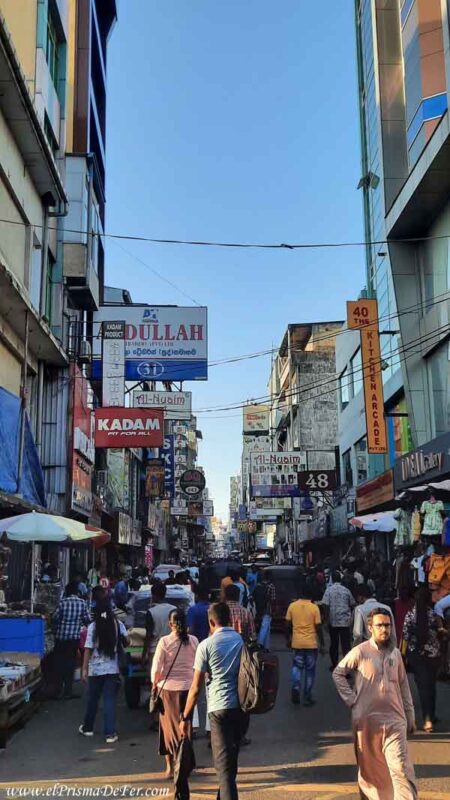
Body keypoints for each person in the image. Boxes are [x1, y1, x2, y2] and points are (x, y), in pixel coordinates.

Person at [333, 607, 417, 800]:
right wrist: (351, 700)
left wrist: (410, 715)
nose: (384, 629)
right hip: (367, 722)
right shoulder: (360, 651)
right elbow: (338, 673)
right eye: (380, 625)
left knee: (401, 768)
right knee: (370, 773)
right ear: (370, 627)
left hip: (395, 720)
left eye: (387, 625)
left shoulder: (396, 654)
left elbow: (404, 686)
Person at [179, 603, 248, 800]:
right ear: (230, 619)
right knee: (230, 764)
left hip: (219, 709)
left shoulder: (206, 646)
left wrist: (185, 717)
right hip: (242, 707)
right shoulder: (241, 641)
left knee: (224, 771)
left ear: (211, 622)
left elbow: (195, 688)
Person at [151, 609, 198, 778]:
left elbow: (156, 669)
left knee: (168, 730)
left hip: (168, 691)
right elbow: (198, 665)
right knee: (186, 728)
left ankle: (170, 767)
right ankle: (186, 765)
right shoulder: (193, 641)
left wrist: (154, 685)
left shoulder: (164, 642)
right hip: (189, 690)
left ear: (170, 624)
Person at [79, 597, 128, 743]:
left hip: (95, 669)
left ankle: (88, 728)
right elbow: (127, 641)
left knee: (93, 699)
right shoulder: (117, 624)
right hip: (112, 669)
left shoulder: (93, 627)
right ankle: (110, 734)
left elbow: (88, 649)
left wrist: (84, 669)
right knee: (109, 700)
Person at [402, 587, 447, 732]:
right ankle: (431, 716)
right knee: (431, 685)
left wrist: (402, 655)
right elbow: (442, 634)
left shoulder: (410, 615)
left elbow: (405, 636)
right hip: (433, 655)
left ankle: (428, 719)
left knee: (422, 687)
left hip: (416, 656)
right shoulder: (434, 614)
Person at [286, 585, 325, 706]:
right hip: (311, 644)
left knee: (297, 667)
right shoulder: (314, 608)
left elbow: (287, 625)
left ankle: (296, 687)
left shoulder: (292, 606)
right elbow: (318, 627)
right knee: (310, 671)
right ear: (311, 595)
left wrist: (288, 639)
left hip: (297, 643)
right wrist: (322, 643)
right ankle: (307, 696)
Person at [53, 581, 90, 699]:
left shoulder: (62, 602)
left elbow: (55, 617)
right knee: (70, 664)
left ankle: (58, 691)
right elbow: (87, 619)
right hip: (74, 638)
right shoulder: (82, 603)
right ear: (77, 592)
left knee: (59, 663)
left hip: (61, 637)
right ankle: (68, 692)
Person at [321, 570, 355, 669]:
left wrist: (326, 619)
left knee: (334, 644)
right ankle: (347, 667)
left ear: (332, 579)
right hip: (345, 621)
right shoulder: (346, 590)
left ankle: (334, 664)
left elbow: (325, 604)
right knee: (346, 645)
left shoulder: (329, 590)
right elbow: (352, 604)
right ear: (340, 579)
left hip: (333, 621)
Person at [253, 572, 276, 650]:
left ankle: (266, 646)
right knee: (265, 626)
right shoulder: (271, 586)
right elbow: (273, 599)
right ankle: (260, 643)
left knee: (267, 627)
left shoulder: (258, 586)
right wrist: (273, 610)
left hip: (259, 608)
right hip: (267, 608)